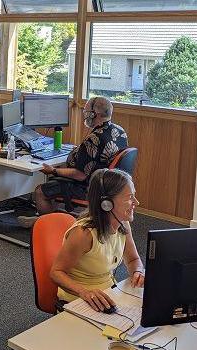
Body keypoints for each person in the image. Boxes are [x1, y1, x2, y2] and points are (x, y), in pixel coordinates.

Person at [18, 96, 128, 228]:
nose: (85, 115)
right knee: (55, 181)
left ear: (94, 114)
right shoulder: (119, 131)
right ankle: (51, 218)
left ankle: (46, 226)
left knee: (41, 191)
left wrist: (53, 170)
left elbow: (80, 175)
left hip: (88, 187)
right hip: (108, 185)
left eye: (86, 111)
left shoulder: (94, 139)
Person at [50, 169, 144, 312]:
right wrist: (84, 292)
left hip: (108, 296)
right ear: (107, 203)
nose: (136, 202)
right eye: (130, 197)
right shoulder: (83, 234)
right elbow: (56, 272)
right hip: (78, 300)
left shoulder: (122, 224)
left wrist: (138, 272)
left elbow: (133, 259)